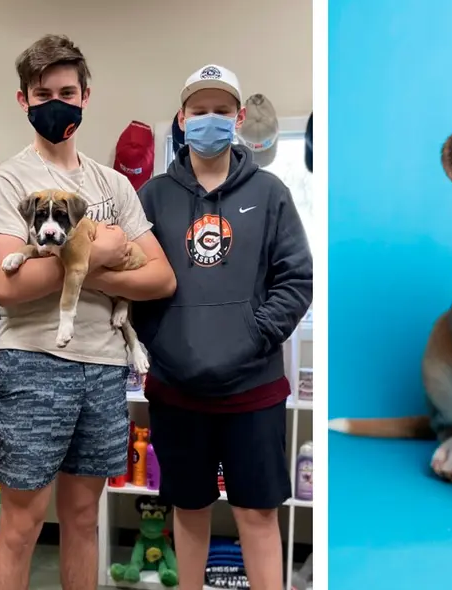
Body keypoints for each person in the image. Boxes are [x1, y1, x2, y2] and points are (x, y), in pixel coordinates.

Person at [0, 34, 176, 590]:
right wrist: (97, 252)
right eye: (43, 93)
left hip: (105, 366)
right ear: (24, 100)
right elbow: (6, 285)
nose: (56, 102)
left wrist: (90, 261)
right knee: (22, 524)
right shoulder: (11, 180)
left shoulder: (112, 184)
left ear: (86, 95)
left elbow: (160, 277)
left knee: (85, 520)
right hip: (33, 363)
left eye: (67, 90)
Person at [133, 64, 313, 590]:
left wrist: (254, 335)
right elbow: (135, 281)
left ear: (237, 119)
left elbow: (296, 279)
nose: (208, 120)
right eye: (198, 110)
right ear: (181, 118)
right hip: (176, 391)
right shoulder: (153, 196)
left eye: (219, 110)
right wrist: (164, 344)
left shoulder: (272, 192)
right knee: (189, 513)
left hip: (252, 393)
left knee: (257, 516)